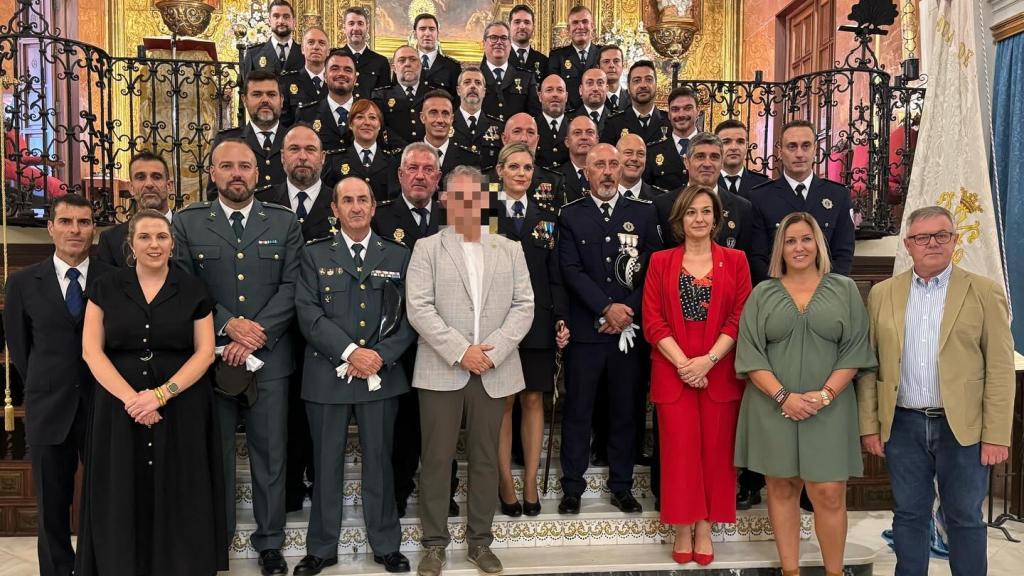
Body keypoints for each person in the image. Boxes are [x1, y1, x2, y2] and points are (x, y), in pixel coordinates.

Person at [857, 206, 1015, 576]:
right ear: (908, 245)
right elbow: (870, 366)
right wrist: (869, 425)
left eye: (941, 235)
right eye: (921, 237)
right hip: (904, 426)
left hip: (963, 427)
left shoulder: (984, 292)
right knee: (909, 516)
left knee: (964, 517)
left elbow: (1000, 369)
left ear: (954, 241)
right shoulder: (883, 294)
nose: (932, 243)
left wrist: (995, 435)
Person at [174, 139, 303, 576]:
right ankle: (219, 537)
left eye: (244, 166)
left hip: (270, 358)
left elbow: (293, 287)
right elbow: (186, 287)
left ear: (258, 173)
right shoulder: (188, 223)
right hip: (213, 359)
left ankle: (270, 542)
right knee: (218, 453)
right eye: (226, 166)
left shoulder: (284, 222)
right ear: (212, 173)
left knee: (271, 454)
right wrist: (229, 325)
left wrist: (254, 334)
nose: (236, 173)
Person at [77, 209, 226, 575]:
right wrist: (132, 399)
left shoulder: (193, 288)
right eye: (144, 237)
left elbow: (205, 352)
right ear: (130, 244)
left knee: (180, 487)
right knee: (122, 488)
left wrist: (160, 395)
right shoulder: (105, 287)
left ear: (173, 243)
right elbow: (91, 350)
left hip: (182, 406)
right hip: (118, 408)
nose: (154, 244)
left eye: (161, 237)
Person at [407, 165, 535, 576]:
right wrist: (462, 351)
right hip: (442, 368)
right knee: (437, 458)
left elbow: (524, 306)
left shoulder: (509, 248)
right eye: (457, 196)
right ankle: (433, 544)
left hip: (494, 370)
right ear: (445, 201)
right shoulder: (427, 249)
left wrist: (489, 354)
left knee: (484, 459)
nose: (467, 203)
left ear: (485, 200)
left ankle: (480, 542)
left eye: (474, 196)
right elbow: (419, 308)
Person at [734, 212, 876, 576]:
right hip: (772, 406)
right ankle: (790, 571)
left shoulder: (843, 289)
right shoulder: (762, 293)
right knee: (781, 488)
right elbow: (750, 355)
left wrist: (825, 395)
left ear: (818, 245)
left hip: (829, 408)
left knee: (828, 491)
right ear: (781, 248)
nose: (799, 247)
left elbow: (856, 351)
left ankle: (833, 572)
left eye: (806, 239)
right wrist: (784, 397)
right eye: (791, 240)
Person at [292, 178, 416, 575]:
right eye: (348, 200)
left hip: (381, 374)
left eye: (363, 199)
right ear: (335, 209)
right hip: (328, 375)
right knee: (325, 464)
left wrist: (377, 357)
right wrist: (350, 353)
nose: (356, 206)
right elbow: (308, 313)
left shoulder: (397, 255)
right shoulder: (313, 255)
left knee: (380, 461)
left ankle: (386, 544)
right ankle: (321, 548)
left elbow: (410, 318)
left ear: (374, 206)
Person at [4, 195, 114, 576]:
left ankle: (94, 568)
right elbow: (21, 351)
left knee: (102, 500)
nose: (74, 230)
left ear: (93, 230)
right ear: (51, 227)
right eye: (66, 222)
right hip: (48, 409)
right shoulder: (21, 283)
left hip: (102, 406)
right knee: (52, 504)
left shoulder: (112, 280)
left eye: (83, 222)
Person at [642, 185, 751, 565]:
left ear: (716, 218)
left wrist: (707, 360)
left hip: (718, 367)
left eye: (706, 212)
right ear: (680, 219)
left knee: (716, 453)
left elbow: (740, 317)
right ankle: (682, 526)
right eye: (691, 212)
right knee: (679, 453)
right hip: (674, 368)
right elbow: (652, 321)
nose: (699, 219)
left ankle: (705, 525)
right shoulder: (661, 261)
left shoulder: (736, 260)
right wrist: (685, 365)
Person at [557, 143, 662, 515]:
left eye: (613, 165)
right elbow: (570, 270)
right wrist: (604, 307)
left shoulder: (644, 214)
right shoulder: (571, 215)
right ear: (586, 171)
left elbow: (653, 269)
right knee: (578, 411)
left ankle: (622, 485)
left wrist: (625, 311)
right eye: (599, 164)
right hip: (587, 332)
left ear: (622, 170)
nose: (607, 171)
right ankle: (572, 486)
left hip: (627, 335)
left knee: (625, 411)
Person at [370, 143, 459, 518]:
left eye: (428, 169)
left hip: (445, 338)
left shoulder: (458, 217)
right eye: (413, 169)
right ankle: (400, 488)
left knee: (444, 424)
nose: (420, 175)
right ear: (401, 175)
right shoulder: (382, 218)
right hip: (399, 340)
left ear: (438, 179)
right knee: (403, 422)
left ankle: (445, 491)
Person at [256, 122, 332, 513]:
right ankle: (285, 491)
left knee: (321, 417)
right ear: (281, 157)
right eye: (295, 149)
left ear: (322, 157)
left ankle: (322, 488)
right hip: (278, 331)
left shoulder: (342, 202)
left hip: (327, 333)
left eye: (310, 149)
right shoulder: (262, 202)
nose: (302, 156)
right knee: (282, 418)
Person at [493, 142, 570, 518]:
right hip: (497, 324)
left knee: (535, 399)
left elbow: (555, 275)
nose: (522, 174)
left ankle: (530, 480)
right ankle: (505, 480)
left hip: (538, 321)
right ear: (500, 171)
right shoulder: (483, 214)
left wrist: (561, 317)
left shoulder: (547, 217)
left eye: (527, 168)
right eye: (514, 167)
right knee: (504, 402)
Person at [749, 120, 855, 283]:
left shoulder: (838, 195)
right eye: (792, 146)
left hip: (826, 293)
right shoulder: (760, 197)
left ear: (815, 150)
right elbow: (758, 258)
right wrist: (782, 291)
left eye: (806, 146)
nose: (799, 154)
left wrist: (827, 290)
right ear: (780, 151)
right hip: (778, 296)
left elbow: (843, 253)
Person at [653, 132, 752, 253]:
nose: (707, 164)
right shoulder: (662, 205)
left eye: (714, 157)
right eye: (700, 156)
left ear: (722, 163)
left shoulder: (742, 208)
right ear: (686, 162)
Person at [207, 70, 288, 200]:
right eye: (257, 94)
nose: (265, 100)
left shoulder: (295, 141)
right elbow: (214, 193)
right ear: (245, 100)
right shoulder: (227, 141)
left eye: (271, 94)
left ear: (281, 100)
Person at [97, 151, 174, 268]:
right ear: (131, 188)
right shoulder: (111, 239)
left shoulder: (189, 232)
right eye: (140, 177)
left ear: (169, 186)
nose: (149, 184)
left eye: (156, 177)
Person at [321, 99, 401, 201]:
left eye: (372, 118)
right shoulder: (334, 161)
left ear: (380, 125)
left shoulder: (393, 161)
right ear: (350, 124)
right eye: (360, 117)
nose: (367, 122)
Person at [487, 112, 566, 212]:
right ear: (504, 138)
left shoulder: (555, 182)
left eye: (530, 132)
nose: (524, 139)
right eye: (517, 131)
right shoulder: (483, 182)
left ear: (537, 140)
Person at [373, 46, 434, 148]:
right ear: (394, 68)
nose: (407, 64)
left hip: (428, 153)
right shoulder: (381, 96)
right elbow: (380, 127)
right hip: (394, 156)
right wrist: (406, 149)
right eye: (402, 60)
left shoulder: (434, 95)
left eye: (413, 59)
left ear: (420, 65)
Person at [479, 21, 540, 123]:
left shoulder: (526, 78)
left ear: (510, 44)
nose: (499, 42)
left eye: (504, 38)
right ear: (484, 43)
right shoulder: (475, 78)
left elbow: (535, 116)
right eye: (493, 38)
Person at [296, 50, 355, 152]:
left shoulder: (368, 112)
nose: (341, 73)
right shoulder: (306, 114)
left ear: (355, 78)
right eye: (335, 69)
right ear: (325, 76)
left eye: (348, 70)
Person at [601, 60, 669, 145]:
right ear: (628, 87)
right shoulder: (614, 124)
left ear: (656, 85)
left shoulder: (669, 121)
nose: (643, 85)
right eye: (637, 81)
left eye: (648, 80)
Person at [644, 86, 699, 191]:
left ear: (698, 112)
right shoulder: (652, 151)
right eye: (675, 109)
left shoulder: (711, 147)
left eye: (687, 108)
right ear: (669, 115)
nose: (681, 114)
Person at [547, 5, 602, 110]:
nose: (580, 27)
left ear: (592, 26)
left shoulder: (603, 54)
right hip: (569, 117)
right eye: (575, 22)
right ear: (568, 29)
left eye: (585, 22)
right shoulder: (557, 57)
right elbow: (555, 91)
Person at [452, 66, 503, 171]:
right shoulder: (447, 123)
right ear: (458, 90)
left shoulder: (498, 127)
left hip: (486, 185)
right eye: (467, 82)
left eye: (478, 83)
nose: (473, 86)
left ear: (484, 92)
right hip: (454, 184)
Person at [420, 89, 479, 180]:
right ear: (423, 117)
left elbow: (477, 193)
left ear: (451, 119)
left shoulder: (470, 158)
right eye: (433, 113)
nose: (440, 120)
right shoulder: (407, 156)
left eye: (445, 114)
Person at [279, 26, 329, 127]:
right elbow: (283, 123)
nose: (316, 47)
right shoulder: (287, 81)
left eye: (322, 43)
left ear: (328, 51)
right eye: (311, 42)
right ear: (302, 49)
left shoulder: (336, 81)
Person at [241, 0, 304, 79]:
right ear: (269, 21)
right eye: (276, 16)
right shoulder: (253, 54)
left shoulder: (305, 54)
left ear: (294, 22)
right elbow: (248, 88)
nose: (281, 21)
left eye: (286, 17)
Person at [338, 7, 391, 100]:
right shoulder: (335, 57)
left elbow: (384, 98)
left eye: (360, 23)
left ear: (367, 27)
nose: (356, 28)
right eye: (351, 23)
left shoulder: (381, 61)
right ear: (344, 28)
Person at [715, 119, 770, 201]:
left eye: (740, 142)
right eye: (726, 142)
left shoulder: (764, 185)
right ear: (716, 146)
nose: (734, 147)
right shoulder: (707, 183)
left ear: (747, 146)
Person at [414, 13, 461, 93]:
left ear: (437, 33)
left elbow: (456, 100)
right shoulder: (404, 65)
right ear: (415, 34)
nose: (427, 33)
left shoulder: (452, 67)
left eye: (432, 29)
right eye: (422, 29)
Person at [558, 115, 599, 203]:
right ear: (567, 142)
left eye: (589, 132)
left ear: (597, 140)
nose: (584, 137)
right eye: (577, 133)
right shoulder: (555, 177)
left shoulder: (609, 173)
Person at [616, 133, 666, 200]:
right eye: (628, 153)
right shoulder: (600, 195)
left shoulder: (662, 199)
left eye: (640, 154)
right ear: (616, 157)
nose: (634, 158)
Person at [535, 74, 570, 168]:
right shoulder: (531, 127)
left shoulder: (574, 127)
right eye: (549, 90)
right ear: (540, 96)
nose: (555, 94)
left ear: (566, 96)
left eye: (560, 90)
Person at [508, 4, 549, 82]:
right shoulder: (498, 58)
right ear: (509, 26)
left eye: (527, 22)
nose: (522, 26)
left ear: (533, 27)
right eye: (517, 22)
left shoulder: (543, 61)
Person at [571, 68, 610, 134]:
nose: (595, 88)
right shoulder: (570, 120)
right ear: (581, 90)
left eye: (600, 83)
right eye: (589, 83)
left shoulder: (617, 120)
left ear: (607, 89)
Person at [599, 45, 629, 113]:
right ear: (598, 67)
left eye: (616, 61)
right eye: (606, 61)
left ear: (623, 66)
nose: (611, 65)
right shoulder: (592, 99)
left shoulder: (634, 99)